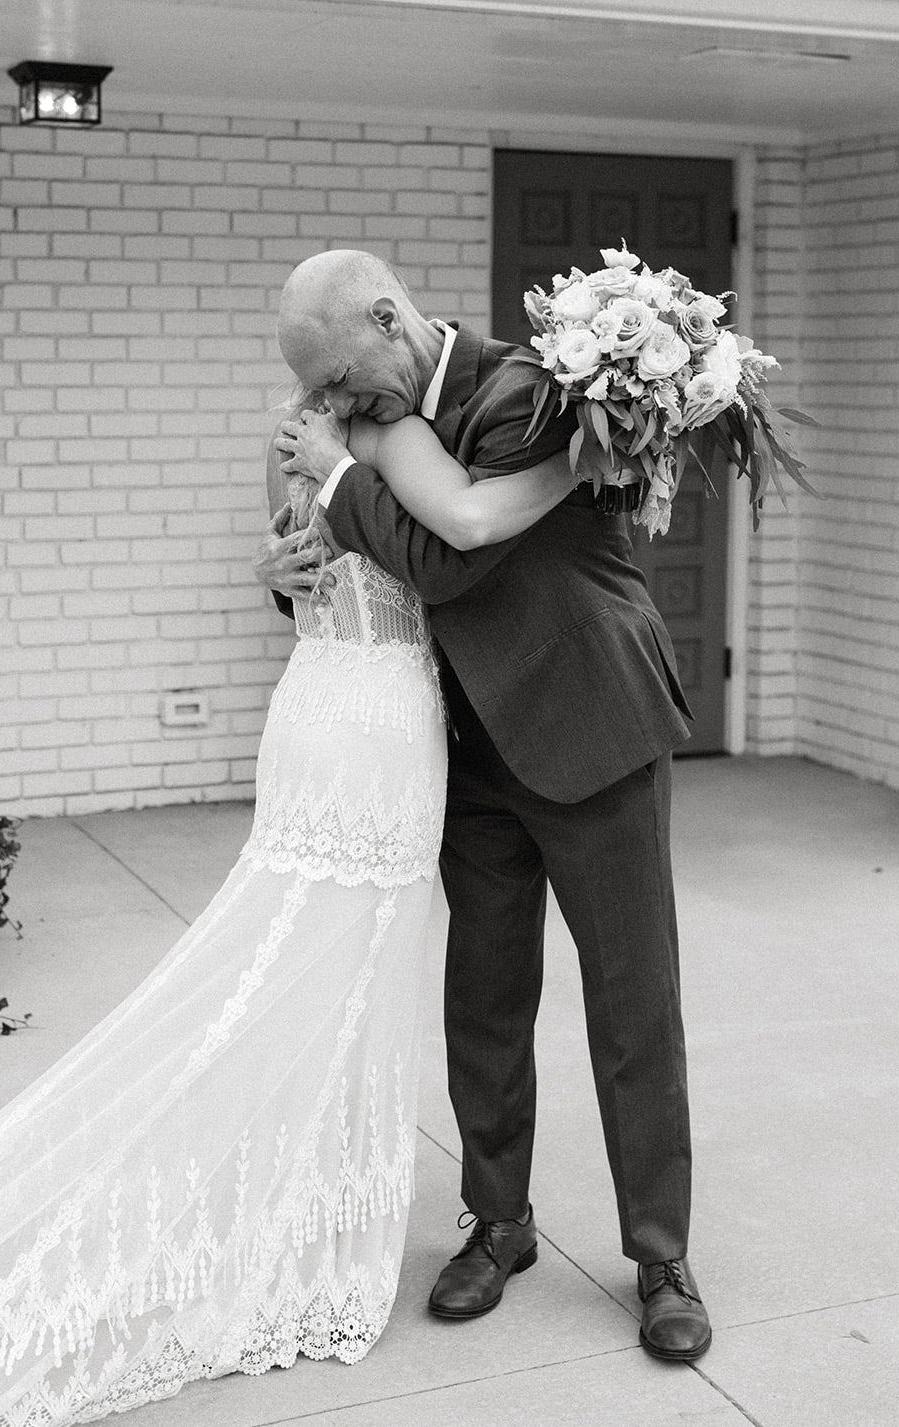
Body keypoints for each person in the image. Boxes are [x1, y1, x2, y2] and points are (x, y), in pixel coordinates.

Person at [0, 403, 578, 1424]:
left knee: (296, 971)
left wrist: (271, 569)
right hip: (379, 725)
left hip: (310, 704)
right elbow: (464, 535)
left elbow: (295, 569)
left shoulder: (291, 438)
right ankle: (312, 1217)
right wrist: (581, 462)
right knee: (351, 981)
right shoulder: (407, 442)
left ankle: (292, 1193)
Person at [256, 248, 712, 1362]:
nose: (335, 407)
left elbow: (453, 562)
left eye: (344, 381)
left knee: (631, 1004)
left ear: (388, 316)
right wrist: (295, 569)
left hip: (590, 727)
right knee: (486, 1001)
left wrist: (334, 476)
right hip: (466, 748)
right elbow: (370, 565)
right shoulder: (365, 429)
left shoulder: (531, 389)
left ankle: (659, 1250)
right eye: (319, 394)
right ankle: (498, 1223)